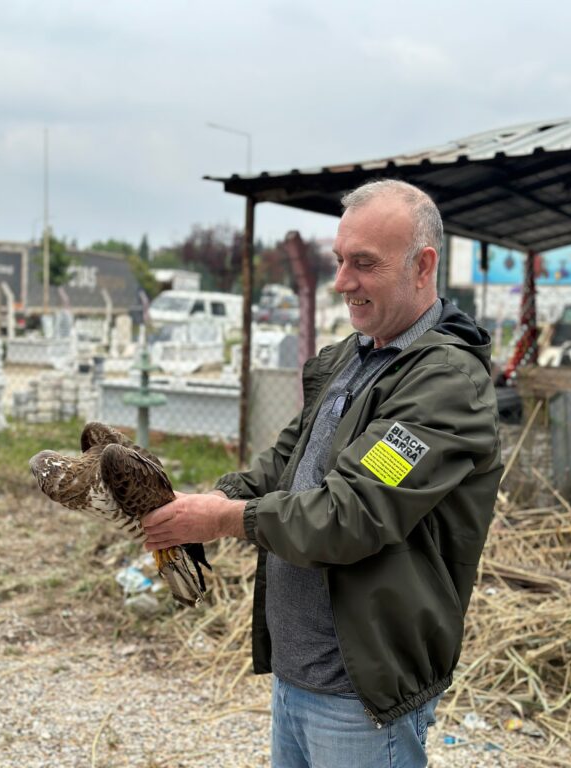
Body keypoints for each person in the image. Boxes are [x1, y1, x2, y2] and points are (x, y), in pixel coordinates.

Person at [143, 179, 502, 768]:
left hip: (361, 690)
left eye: (364, 264)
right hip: (301, 671)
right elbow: (284, 464)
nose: (342, 283)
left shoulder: (445, 385)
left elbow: (352, 514)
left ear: (423, 266)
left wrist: (225, 519)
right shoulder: (351, 357)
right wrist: (203, 502)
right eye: (339, 261)